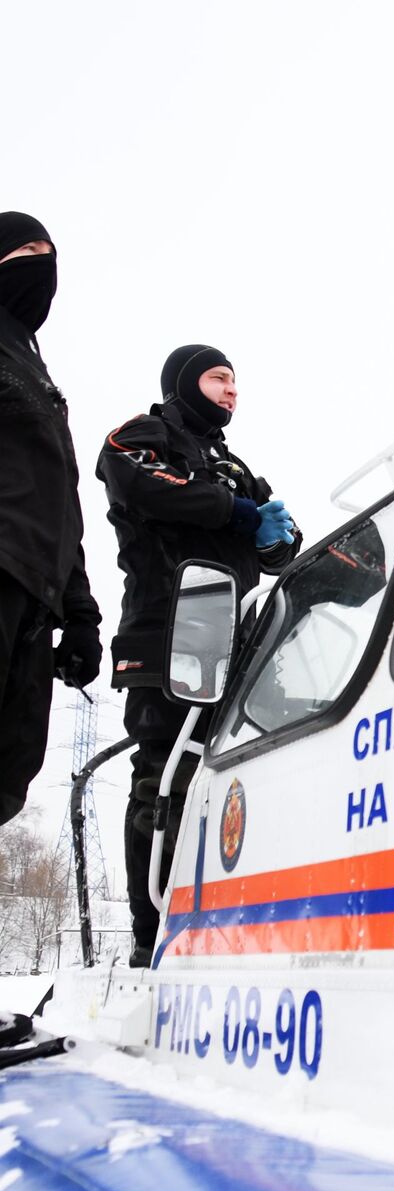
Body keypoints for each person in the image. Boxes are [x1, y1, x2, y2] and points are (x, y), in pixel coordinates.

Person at [97, 345, 301, 965]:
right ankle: (150, 934)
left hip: (235, 642)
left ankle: (224, 923)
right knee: (165, 777)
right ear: (186, 382)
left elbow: (280, 545)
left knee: (238, 779)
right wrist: (235, 514)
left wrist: (280, 535)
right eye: (218, 377)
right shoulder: (143, 434)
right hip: (166, 631)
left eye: (236, 381)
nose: (232, 390)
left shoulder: (235, 467)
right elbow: (138, 480)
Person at [0, 212, 101, 826]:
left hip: (38, 597)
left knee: (10, 774)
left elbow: (63, 501)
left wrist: (82, 613)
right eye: (27, 248)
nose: (43, 262)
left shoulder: (39, 373)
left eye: (50, 251)